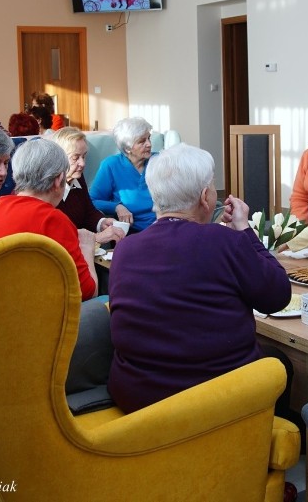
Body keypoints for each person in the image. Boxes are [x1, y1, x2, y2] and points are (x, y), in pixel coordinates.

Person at [107, 143, 292, 413]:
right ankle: (257, 448)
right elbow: (277, 295)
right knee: (279, 362)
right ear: (205, 197)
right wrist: (243, 228)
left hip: (139, 400)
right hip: (213, 399)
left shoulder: (125, 249)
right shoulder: (226, 241)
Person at [0, 139, 98, 301]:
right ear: (59, 180)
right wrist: (87, 248)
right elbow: (87, 292)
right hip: (33, 318)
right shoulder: (53, 220)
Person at [51, 127, 126, 245]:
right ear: (58, 158)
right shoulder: (48, 190)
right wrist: (96, 238)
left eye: (84, 156)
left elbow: (88, 211)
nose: (82, 163)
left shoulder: (78, 178)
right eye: (75, 158)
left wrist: (101, 222)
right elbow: (57, 235)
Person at [89, 117, 157, 231]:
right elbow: (92, 201)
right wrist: (116, 207)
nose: (149, 144)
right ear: (127, 148)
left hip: (161, 227)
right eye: (142, 141)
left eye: (149, 138)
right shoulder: (111, 165)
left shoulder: (159, 161)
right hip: (131, 233)